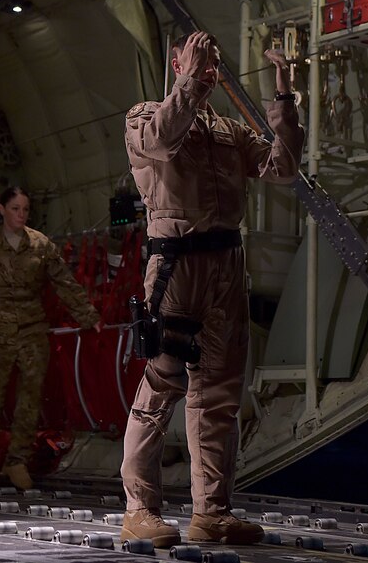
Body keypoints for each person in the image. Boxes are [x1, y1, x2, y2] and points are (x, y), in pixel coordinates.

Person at [119, 32, 303, 546]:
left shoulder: (226, 131)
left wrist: (283, 97)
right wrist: (188, 82)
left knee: (219, 394)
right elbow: (161, 141)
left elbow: (282, 168)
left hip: (225, 266)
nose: (208, 67)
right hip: (177, 267)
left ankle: (212, 513)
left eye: (213, 62)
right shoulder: (145, 115)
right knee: (162, 383)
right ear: (178, 61)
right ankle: (140, 508)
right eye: (199, 59)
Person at [0, 187, 101, 490]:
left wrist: (89, 317)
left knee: (29, 403)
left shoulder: (40, 245)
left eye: (25, 209)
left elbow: (64, 283)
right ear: (2, 209)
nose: (21, 214)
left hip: (31, 332)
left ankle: (17, 462)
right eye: (15, 208)